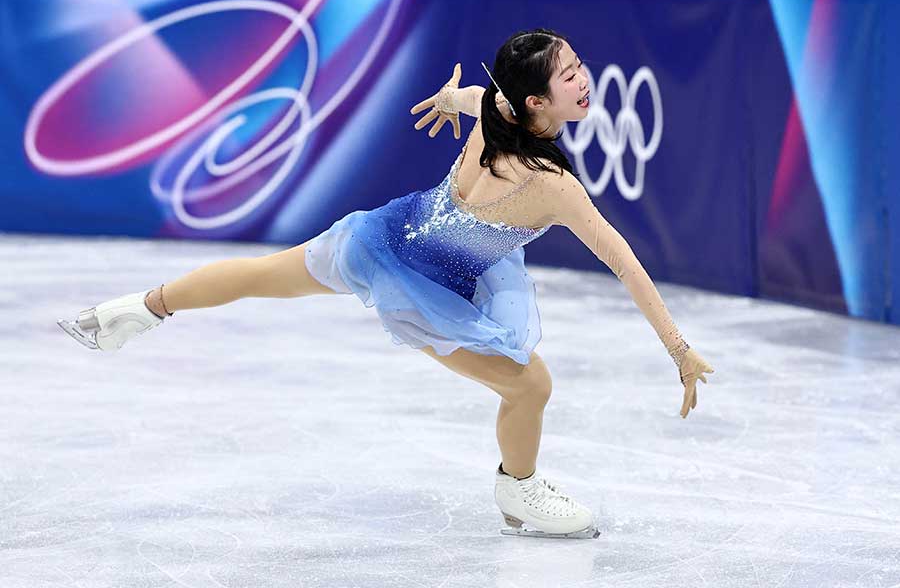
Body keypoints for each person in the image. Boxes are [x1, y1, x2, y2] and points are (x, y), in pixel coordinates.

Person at [58, 29, 713, 540]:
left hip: (379, 236)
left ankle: (135, 311)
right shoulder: (551, 184)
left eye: (578, 65)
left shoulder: (497, 107)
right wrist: (678, 351)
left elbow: (469, 100)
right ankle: (520, 490)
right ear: (537, 102)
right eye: (569, 74)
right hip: (421, 288)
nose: (584, 79)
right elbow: (624, 262)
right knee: (531, 383)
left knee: (262, 275)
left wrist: (446, 99)